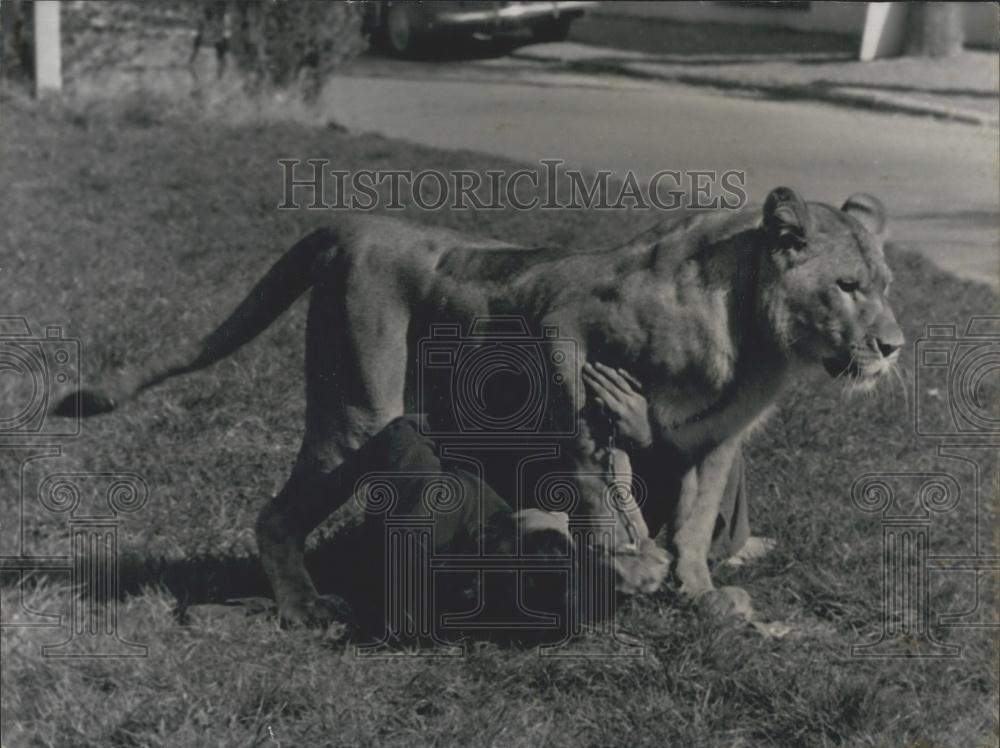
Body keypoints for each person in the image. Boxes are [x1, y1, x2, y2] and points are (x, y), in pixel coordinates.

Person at [295, 362, 768, 640]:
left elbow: (405, 432)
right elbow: (685, 461)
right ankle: (728, 539)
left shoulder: (437, 518)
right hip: (562, 485)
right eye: (565, 538)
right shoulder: (568, 561)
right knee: (709, 432)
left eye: (547, 532)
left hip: (474, 459)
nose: (557, 519)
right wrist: (651, 438)